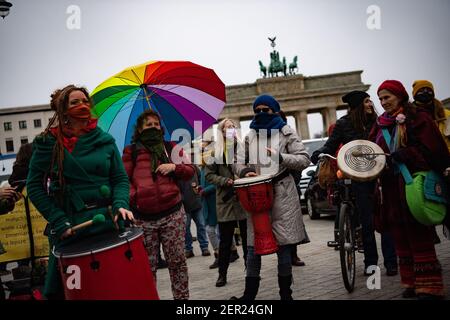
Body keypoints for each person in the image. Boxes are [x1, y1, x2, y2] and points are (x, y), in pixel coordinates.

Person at [27, 85, 133, 299]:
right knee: (79, 293)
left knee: (117, 289)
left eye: (85, 101)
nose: (82, 105)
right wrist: (58, 219)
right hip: (72, 229)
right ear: (63, 111)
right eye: (74, 102)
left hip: (108, 224)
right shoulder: (48, 143)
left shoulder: (105, 140)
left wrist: (121, 203)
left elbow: (120, 178)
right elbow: (34, 187)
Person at [369, 80, 450, 299]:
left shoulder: (418, 118)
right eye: (381, 98)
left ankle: (430, 285)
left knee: (417, 231)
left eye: (388, 97)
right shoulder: (380, 123)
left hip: (412, 183)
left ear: (400, 96)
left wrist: (407, 154)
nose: (384, 102)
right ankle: (411, 282)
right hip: (390, 186)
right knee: (399, 234)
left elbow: (434, 150)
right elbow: (373, 149)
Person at [311, 90, 398, 277]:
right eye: (366, 101)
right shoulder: (343, 124)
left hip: (381, 175)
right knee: (366, 222)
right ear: (358, 105)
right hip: (358, 178)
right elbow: (331, 145)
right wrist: (319, 152)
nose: (370, 104)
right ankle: (371, 263)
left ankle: (391, 262)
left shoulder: (380, 121)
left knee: (386, 220)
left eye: (370, 101)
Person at [233, 94, 310, 300]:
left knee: (283, 245)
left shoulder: (287, 132)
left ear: (275, 110)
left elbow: (304, 159)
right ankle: (249, 296)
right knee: (252, 245)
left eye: (265, 110)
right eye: (257, 110)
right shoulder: (250, 135)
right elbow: (237, 161)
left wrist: (280, 157)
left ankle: (286, 294)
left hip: (283, 192)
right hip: (256, 194)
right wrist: (244, 172)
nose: (261, 113)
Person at [122, 109, 194, 300]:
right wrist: (134, 196)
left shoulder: (170, 147)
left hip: (172, 213)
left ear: (160, 128)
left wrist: (174, 167)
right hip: (143, 219)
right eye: (148, 125)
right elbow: (124, 180)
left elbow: (190, 170)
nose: (152, 127)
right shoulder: (131, 151)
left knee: (177, 262)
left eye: (155, 124)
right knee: (147, 267)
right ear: (139, 129)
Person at [205, 119, 248, 287]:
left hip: (243, 198)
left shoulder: (243, 148)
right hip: (226, 200)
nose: (231, 129)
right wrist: (225, 180)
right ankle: (222, 274)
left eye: (233, 127)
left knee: (247, 239)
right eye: (227, 127)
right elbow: (209, 175)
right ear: (221, 131)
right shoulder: (214, 151)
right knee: (225, 241)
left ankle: (250, 271)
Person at [278, 111, 307, 267]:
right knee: (280, 223)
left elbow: (301, 159)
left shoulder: (289, 134)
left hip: (290, 182)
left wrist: (295, 178)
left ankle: (294, 254)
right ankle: (284, 255)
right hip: (275, 185)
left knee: (293, 221)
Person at [180, 162, 211, 258]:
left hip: (197, 203)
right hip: (184, 205)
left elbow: (201, 179)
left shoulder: (193, 167)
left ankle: (204, 247)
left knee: (201, 225)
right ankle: (188, 249)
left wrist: (200, 192)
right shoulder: (177, 171)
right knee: (186, 228)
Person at [199, 140, 220, 269]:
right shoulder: (202, 167)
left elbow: (217, 183)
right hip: (207, 203)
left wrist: (204, 191)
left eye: (205, 150)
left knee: (211, 230)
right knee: (215, 229)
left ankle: (219, 255)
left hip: (215, 202)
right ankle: (230, 252)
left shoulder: (215, 165)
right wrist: (200, 189)